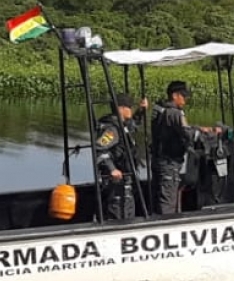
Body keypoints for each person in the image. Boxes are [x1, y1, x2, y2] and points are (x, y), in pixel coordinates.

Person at [150, 81, 220, 214]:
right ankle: (168, 224)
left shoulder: (160, 109)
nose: (185, 99)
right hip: (170, 164)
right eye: (183, 96)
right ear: (174, 95)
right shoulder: (175, 113)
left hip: (159, 161)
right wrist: (211, 134)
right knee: (168, 202)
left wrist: (200, 128)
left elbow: (179, 128)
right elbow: (188, 134)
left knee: (159, 197)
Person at [93, 92, 145, 220]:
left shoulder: (123, 125)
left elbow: (133, 124)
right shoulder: (112, 130)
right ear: (120, 109)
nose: (131, 109)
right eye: (129, 107)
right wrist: (112, 169)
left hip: (125, 180)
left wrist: (141, 110)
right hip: (116, 183)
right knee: (119, 212)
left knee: (127, 209)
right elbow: (99, 149)